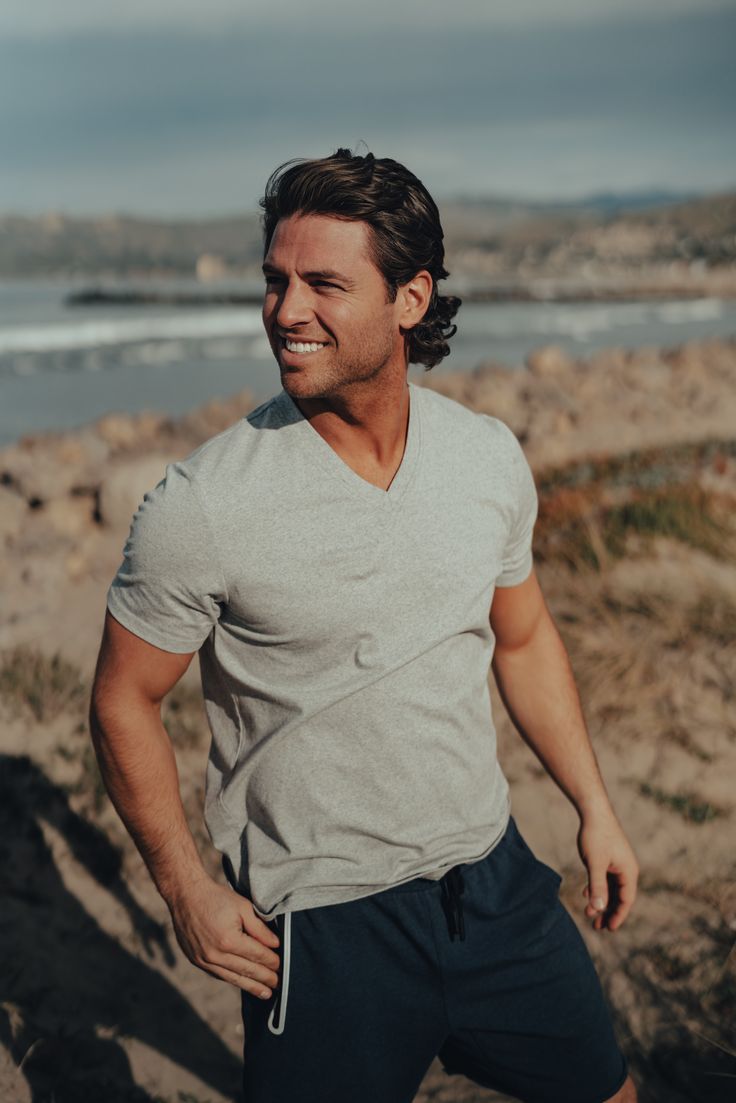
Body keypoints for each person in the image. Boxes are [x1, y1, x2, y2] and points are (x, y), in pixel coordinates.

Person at [90, 148, 639, 1103]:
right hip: (325, 927)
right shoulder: (205, 504)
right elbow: (121, 700)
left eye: (323, 284)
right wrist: (186, 890)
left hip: (494, 883)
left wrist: (594, 806)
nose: (285, 309)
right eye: (275, 280)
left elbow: (524, 638)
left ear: (411, 299)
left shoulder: (484, 458)